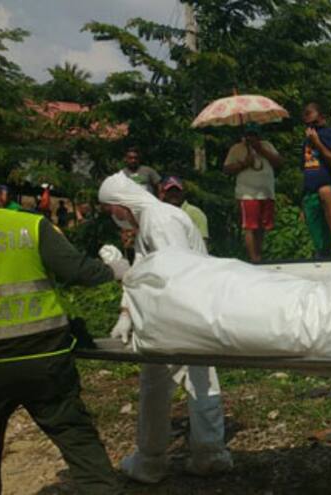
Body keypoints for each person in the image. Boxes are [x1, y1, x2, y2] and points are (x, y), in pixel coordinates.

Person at [0, 171, 129, 495]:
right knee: (76, 437)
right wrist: (114, 270)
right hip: (45, 358)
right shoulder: (29, 225)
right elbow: (76, 270)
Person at [98, 172, 233, 483]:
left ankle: (154, 460)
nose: (113, 219)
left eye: (110, 212)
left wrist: (123, 274)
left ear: (120, 205)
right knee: (196, 379)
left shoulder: (160, 220)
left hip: (178, 314)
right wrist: (126, 311)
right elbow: (149, 273)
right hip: (183, 312)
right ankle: (204, 454)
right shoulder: (151, 221)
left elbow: (173, 273)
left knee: (166, 384)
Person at [224, 122, 283, 263]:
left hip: (266, 192)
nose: (252, 138)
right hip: (247, 193)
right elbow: (226, 169)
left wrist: (261, 150)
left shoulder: (267, 145)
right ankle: (253, 258)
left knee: (262, 227)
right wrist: (244, 163)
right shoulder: (237, 149)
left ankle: (258, 254)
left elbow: (279, 162)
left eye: (254, 135)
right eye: (249, 135)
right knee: (250, 226)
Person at [302, 102, 331, 259]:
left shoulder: (328, 134)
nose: (311, 128)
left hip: (330, 189)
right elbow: (304, 168)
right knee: (319, 238)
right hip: (310, 193)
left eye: (314, 123)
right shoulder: (306, 140)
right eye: (308, 124)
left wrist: (318, 144)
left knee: (325, 191)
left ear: (322, 118)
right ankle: (323, 254)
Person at [160, 176, 210, 243]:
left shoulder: (196, 213)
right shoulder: (159, 213)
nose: (174, 194)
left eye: (177, 191)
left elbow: (203, 242)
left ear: (183, 192)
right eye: (170, 191)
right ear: (164, 193)